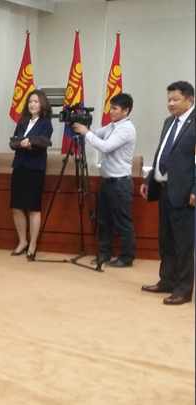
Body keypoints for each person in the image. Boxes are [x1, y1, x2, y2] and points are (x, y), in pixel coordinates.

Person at [139, 81, 195, 305]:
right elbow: (162, 153)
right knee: (166, 241)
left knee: (184, 245)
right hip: (164, 190)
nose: (170, 103)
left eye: (175, 99)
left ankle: (183, 289)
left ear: (189, 100)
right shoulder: (169, 122)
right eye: (169, 99)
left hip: (185, 193)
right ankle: (167, 281)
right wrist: (149, 178)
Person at [73, 93, 136, 268]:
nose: (111, 112)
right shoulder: (112, 126)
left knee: (123, 222)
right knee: (104, 221)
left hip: (120, 183)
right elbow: (97, 134)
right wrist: (83, 126)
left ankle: (126, 258)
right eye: (110, 108)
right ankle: (104, 254)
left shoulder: (127, 128)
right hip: (107, 182)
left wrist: (86, 133)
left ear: (126, 110)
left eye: (115, 109)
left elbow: (106, 146)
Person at [9, 89, 54, 261]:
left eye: (36, 101)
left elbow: (43, 143)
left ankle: (33, 244)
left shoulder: (46, 124)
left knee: (33, 208)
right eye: (30, 101)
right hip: (19, 166)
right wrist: (20, 144)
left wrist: (29, 145)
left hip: (35, 169)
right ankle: (22, 241)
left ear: (42, 104)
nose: (32, 104)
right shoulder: (22, 121)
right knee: (16, 206)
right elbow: (13, 141)